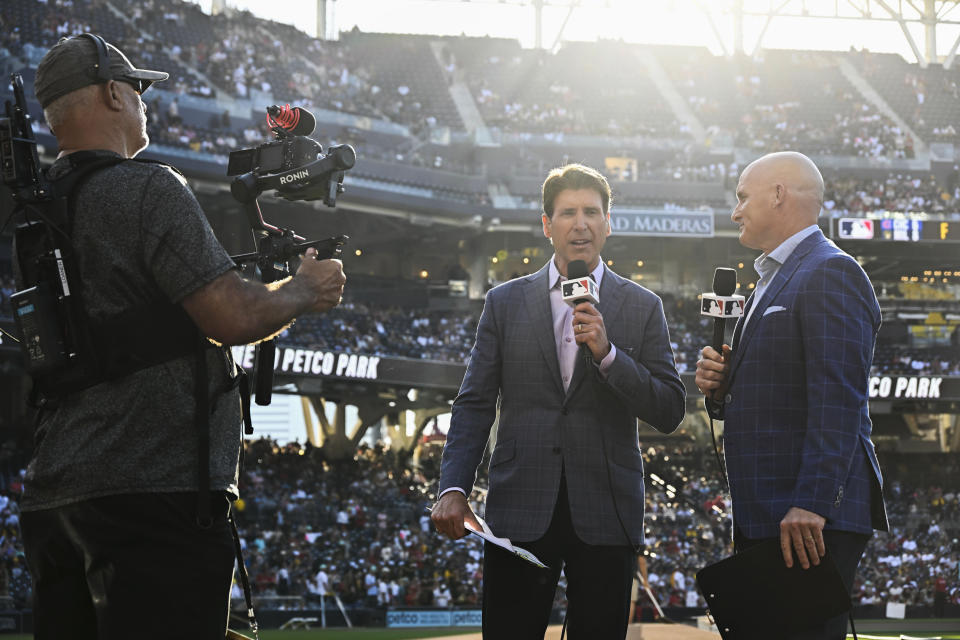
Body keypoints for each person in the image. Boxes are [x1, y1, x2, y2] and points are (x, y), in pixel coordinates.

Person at [18, 34, 345, 639]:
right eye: (138, 90)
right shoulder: (150, 188)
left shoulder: (32, 214)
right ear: (114, 94)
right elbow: (231, 318)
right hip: (153, 498)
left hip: (54, 498)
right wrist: (305, 289)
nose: (145, 103)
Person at [432, 164, 685, 639]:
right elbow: (474, 402)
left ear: (609, 222)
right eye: (567, 212)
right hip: (520, 506)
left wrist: (608, 356)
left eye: (592, 211)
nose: (580, 223)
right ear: (547, 225)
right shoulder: (505, 302)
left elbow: (670, 409)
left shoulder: (642, 306)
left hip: (607, 508)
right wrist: (453, 487)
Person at [695, 151, 888, 640]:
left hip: (806, 515)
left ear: (778, 194)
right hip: (772, 508)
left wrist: (812, 501)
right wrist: (720, 388)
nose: (735, 211)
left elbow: (838, 399)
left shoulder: (829, 271)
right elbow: (770, 392)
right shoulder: (770, 278)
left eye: (742, 197)